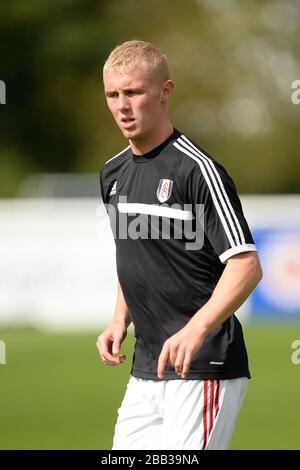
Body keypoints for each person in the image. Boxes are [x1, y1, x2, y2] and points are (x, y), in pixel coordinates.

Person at [97, 40, 263, 450]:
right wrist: (121, 317)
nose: (122, 105)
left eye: (133, 92)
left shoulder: (198, 171)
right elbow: (135, 255)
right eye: (113, 94)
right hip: (146, 369)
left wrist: (197, 329)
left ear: (165, 91)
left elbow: (245, 264)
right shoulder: (112, 173)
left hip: (203, 365)